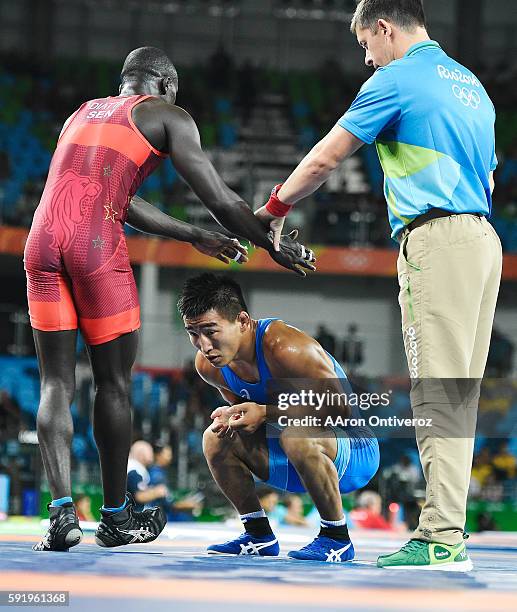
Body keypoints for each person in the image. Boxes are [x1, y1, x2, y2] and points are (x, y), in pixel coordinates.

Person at [27, 46, 315, 553]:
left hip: (42, 242)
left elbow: (116, 197)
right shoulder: (167, 115)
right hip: (95, 247)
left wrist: (190, 235)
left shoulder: (80, 115)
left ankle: (60, 514)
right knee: (113, 384)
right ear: (164, 84)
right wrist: (273, 246)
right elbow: (222, 199)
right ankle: (116, 515)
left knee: (55, 383)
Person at [255, 0, 501, 571]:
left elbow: (324, 160)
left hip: (436, 240)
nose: (368, 61)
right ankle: (450, 531)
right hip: (483, 240)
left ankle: (439, 535)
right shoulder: (471, 85)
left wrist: (272, 209)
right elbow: (489, 175)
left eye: (367, 47)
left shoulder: (397, 78)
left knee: (436, 393)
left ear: (385, 29)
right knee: (458, 395)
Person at [178, 273, 379, 562]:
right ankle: (257, 534)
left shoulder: (286, 347)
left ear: (243, 321)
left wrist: (266, 412)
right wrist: (233, 415)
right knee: (215, 436)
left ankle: (336, 537)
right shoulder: (209, 367)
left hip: (353, 452)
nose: (203, 345)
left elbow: (341, 407)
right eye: (193, 333)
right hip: (292, 457)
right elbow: (252, 414)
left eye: (211, 331)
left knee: (296, 434)